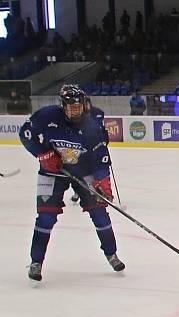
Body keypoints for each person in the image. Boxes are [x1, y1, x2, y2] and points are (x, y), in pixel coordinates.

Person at [19, 85, 124, 282]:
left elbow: (100, 155)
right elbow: (25, 133)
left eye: (78, 106)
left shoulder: (92, 123)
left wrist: (104, 182)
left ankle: (112, 254)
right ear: (63, 106)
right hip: (53, 172)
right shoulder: (46, 116)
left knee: (100, 213)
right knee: (45, 218)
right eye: (71, 107)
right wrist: (43, 154)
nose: (75, 110)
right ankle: (36, 262)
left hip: (84, 172)